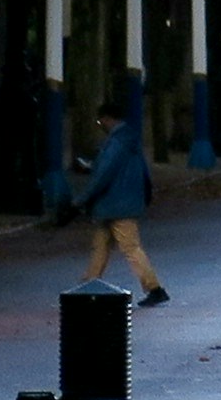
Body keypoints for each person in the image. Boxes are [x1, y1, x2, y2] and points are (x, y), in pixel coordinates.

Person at [72, 99, 168, 307]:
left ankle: (154, 287)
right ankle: (89, 285)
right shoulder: (130, 140)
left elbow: (103, 174)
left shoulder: (116, 143)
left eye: (100, 122)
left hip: (114, 204)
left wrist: (82, 199)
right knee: (101, 245)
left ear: (106, 119)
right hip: (124, 201)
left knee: (130, 247)